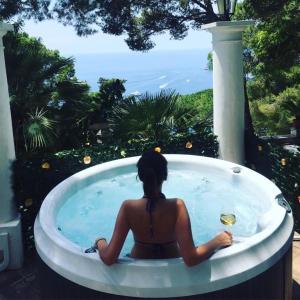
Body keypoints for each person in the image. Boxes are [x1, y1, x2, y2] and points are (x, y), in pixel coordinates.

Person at [95, 149, 232, 267]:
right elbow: (191, 259)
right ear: (165, 176)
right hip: (173, 262)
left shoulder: (128, 207)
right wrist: (218, 240)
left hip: (138, 265)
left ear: (140, 177)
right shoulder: (177, 206)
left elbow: (109, 258)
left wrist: (100, 242)